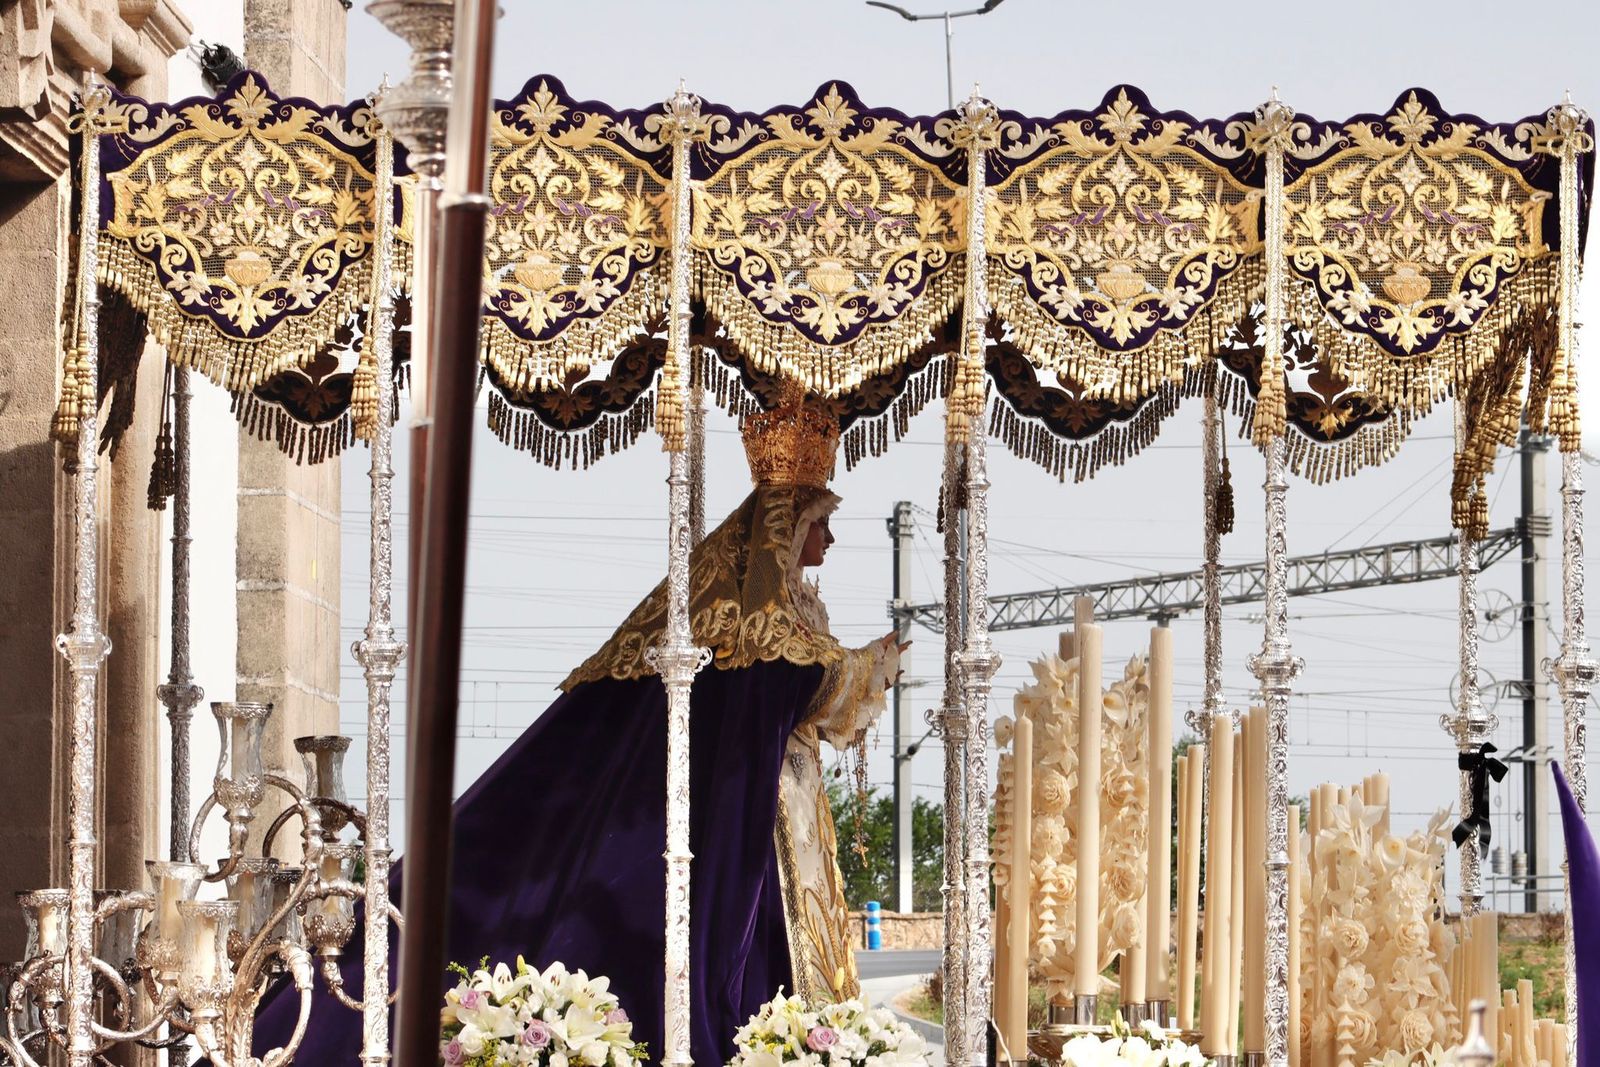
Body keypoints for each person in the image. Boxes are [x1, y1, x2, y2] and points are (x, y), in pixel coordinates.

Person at [252, 393, 905, 1066]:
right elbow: (788, 680)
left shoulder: (789, 607)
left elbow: (797, 685)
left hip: (778, 810)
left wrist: (857, 668)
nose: (828, 540)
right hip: (740, 820)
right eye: (821, 522)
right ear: (787, 526)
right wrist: (871, 665)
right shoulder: (753, 616)